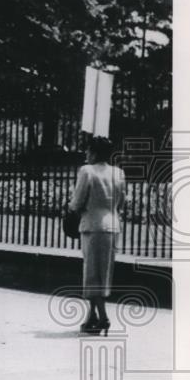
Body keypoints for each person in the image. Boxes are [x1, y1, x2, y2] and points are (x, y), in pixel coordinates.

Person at [68, 135, 125, 335]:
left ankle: (103, 317)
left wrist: (72, 209)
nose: (86, 153)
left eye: (88, 150)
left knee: (92, 274)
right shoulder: (118, 173)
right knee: (104, 273)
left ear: (94, 152)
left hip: (92, 226)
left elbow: (77, 201)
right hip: (112, 226)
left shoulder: (87, 171)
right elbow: (121, 201)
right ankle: (91, 317)